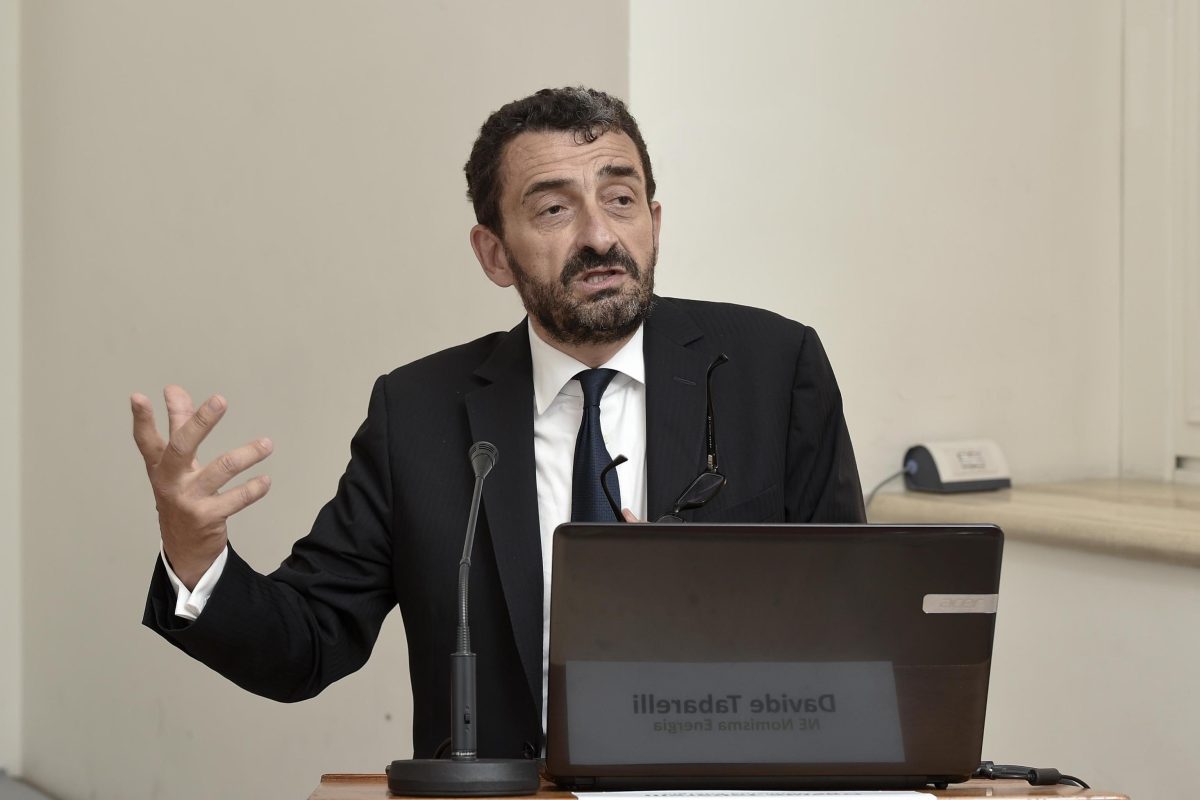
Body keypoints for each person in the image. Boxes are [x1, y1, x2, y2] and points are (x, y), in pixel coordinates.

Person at [133, 86, 866, 760]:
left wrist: (710, 614)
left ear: (655, 222)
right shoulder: (418, 411)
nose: (600, 236)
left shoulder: (772, 371)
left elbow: (858, 627)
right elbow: (308, 644)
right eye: (554, 210)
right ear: (494, 254)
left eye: (621, 199)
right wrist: (195, 558)